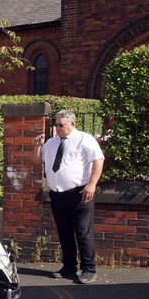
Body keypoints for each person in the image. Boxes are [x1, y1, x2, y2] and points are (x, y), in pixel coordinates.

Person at [34, 110, 105, 284]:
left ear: (72, 124)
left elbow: (98, 159)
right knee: (64, 232)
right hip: (57, 195)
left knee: (83, 233)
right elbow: (37, 162)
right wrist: (37, 146)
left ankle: (89, 269)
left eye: (61, 125)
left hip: (79, 193)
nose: (57, 128)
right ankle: (69, 267)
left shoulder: (84, 139)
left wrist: (92, 184)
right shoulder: (51, 143)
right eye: (56, 124)